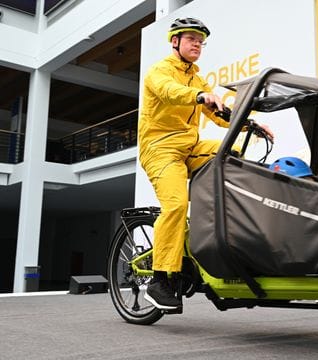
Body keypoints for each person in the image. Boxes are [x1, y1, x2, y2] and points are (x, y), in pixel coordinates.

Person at [138, 17, 272, 310]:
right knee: (175, 205)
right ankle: (159, 280)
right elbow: (168, 91)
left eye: (200, 41)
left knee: (233, 154)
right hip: (160, 149)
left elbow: (217, 113)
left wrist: (251, 125)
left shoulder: (197, 78)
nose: (197, 44)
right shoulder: (159, 71)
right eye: (191, 39)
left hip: (190, 147)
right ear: (175, 42)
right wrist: (198, 95)